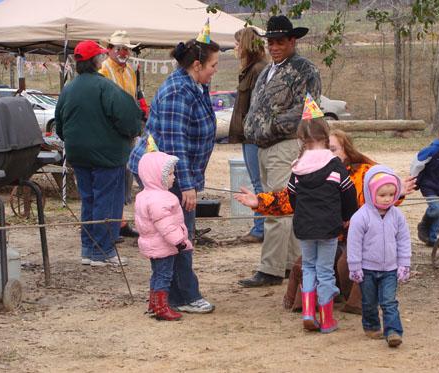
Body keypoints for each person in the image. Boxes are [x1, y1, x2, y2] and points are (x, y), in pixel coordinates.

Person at [237, 129, 415, 314]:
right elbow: (287, 199)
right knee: (304, 265)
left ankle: (356, 303)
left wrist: (398, 192)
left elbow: (382, 194)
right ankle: (310, 309)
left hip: (359, 240)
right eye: (324, 149)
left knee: (349, 261)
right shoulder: (308, 172)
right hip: (327, 237)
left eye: (333, 149)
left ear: (347, 150)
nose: (328, 154)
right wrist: (259, 201)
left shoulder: (364, 173)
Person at [128, 38, 220, 314]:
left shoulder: (195, 85)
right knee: (178, 234)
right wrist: (187, 185)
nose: (215, 70)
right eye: (213, 65)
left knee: (178, 232)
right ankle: (184, 296)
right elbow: (174, 141)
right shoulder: (178, 91)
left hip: (175, 172)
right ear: (196, 65)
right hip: (167, 175)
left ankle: (171, 292)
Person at [239, 15, 322, 287]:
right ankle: (290, 264)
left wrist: (272, 125)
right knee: (279, 204)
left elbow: (308, 108)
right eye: (271, 42)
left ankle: (270, 269)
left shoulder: (304, 70)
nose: (274, 46)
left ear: (292, 41)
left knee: (277, 206)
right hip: (263, 146)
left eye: (280, 42)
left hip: (285, 144)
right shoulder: (268, 70)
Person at [55, 40, 141, 266]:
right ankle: (103, 252)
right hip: (107, 156)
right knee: (107, 201)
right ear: (96, 61)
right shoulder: (106, 87)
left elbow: (60, 125)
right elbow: (130, 120)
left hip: (79, 155)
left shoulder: (68, 89)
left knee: (89, 200)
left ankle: (88, 250)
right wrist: (130, 135)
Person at [347, 165, 411, 347]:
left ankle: (393, 332)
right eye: (382, 195)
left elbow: (404, 240)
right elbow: (354, 243)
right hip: (367, 269)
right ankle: (371, 325)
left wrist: (404, 264)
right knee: (369, 302)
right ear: (370, 193)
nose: (387, 199)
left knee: (389, 301)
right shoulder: (361, 217)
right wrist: (355, 267)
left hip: (390, 268)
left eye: (391, 195)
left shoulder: (397, 216)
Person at [135, 150, 192, 321]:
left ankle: (154, 305)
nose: (173, 177)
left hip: (151, 244)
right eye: (170, 174)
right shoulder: (163, 199)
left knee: (157, 274)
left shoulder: (143, 196)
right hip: (164, 245)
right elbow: (165, 225)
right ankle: (161, 308)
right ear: (156, 176)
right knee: (164, 275)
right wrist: (179, 241)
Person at [99, 30, 141, 238]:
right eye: (119, 48)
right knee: (111, 181)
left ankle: (120, 221)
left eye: (126, 49)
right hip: (110, 135)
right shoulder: (103, 71)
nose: (123, 52)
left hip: (128, 134)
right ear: (110, 50)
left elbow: (133, 100)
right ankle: (108, 226)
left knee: (126, 179)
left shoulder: (131, 72)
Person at [228, 27, 268, 243]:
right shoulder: (251, 68)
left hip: (254, 137)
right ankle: (260, 226)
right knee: (256, 181)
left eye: (237, 44)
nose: (235, 48)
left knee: (258, 182)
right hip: (248, 136)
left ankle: (260, 229)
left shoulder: (259, 70)